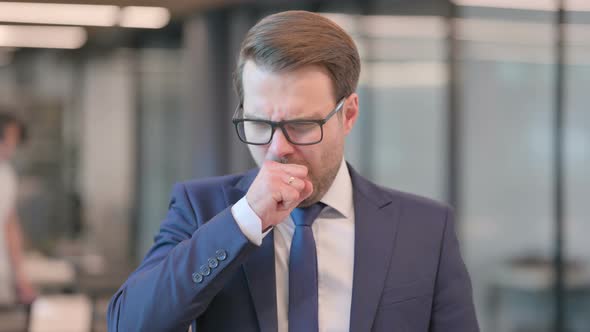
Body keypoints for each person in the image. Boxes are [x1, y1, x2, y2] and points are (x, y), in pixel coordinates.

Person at [108, 10, 479, 332]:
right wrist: (243, 221)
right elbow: (129, 324)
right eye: (258, 123)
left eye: (301, 125)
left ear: (348, 114)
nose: (277, 148)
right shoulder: (202, 208)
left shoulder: (425, 229)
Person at [0, 111, 36, 306]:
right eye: (10, 136)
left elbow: (10, 225)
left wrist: (20, 277)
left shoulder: (7, 175)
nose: (13, 144)